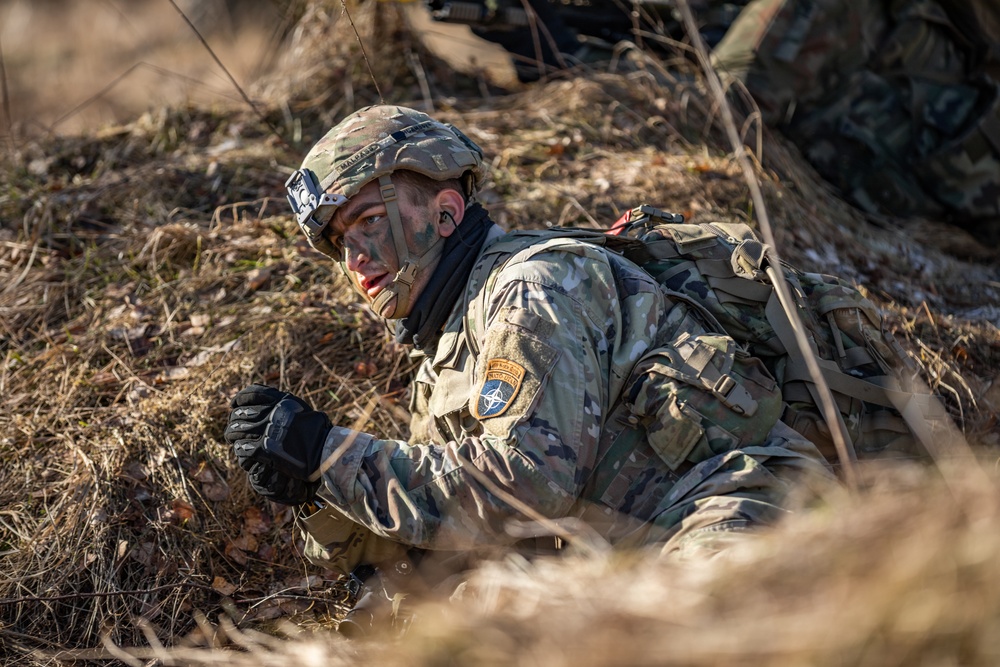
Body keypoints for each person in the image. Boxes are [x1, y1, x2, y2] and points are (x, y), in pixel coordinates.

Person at [223, 105, 833, 626]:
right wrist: (315, 491)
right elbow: (452, 544)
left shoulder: (534, 289)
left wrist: (331, 454)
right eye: (339, 242)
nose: (355, 258)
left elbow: (527, 484)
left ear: (444, 212)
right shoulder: (441, 366)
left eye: (368, 221)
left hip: (731, 515)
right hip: (619, 564)